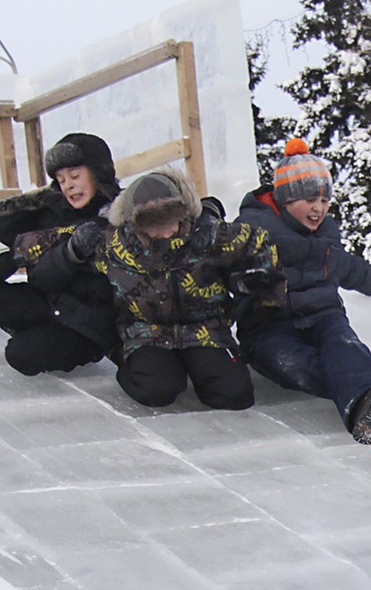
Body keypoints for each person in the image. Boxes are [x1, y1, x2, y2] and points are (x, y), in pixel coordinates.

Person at [15, 167, 284, 411]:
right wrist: (69, 249)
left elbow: (258, 241)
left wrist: (256, 282)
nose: (166, 233)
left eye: (172, 223)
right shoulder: (116, 245)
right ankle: (130, 358)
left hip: (205, 329)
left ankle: (196, 363)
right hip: (146, 331)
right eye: (155, 227)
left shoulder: (207, 235)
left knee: (234, 396)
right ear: (135, 224)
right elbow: (39, 243)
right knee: (156, 391)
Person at [234, 138, 371, 444]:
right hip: (269, 324)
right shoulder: (253, 230)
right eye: (309, 200)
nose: (318, 208)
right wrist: (251, 284)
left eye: (324, 201)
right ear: (285, 199)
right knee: (292, 363)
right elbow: (226, 271)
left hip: (323, 313)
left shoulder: (326, 236)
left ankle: (365, 405)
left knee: (344, 345)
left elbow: (350, 269)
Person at [0, 132, 121, 375]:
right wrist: (67, 251)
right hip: (52, 302)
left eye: (75, 176)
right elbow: (38, 275)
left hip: (88, 323)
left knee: (22, 356)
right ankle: (37, 331)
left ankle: (82, 349)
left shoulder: (121, 214)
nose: (69, 185)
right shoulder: (53, 211)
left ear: (99, 172)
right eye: (61, 179)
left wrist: (209, 208)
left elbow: (175, 209)